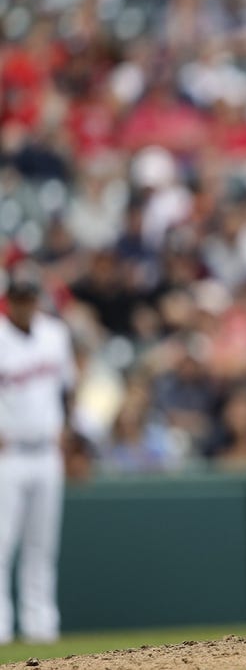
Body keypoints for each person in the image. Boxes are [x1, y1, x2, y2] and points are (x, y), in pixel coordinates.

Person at [0, 265, 78, 644]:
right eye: (19, 297)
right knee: (2, 541)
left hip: (47, 451)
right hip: (8, 453)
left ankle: (40, 626)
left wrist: (68, 428)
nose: (25, 304)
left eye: (30, 297)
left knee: (41, 545)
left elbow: (69, 387)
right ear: (9, 300)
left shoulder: (55, 334)